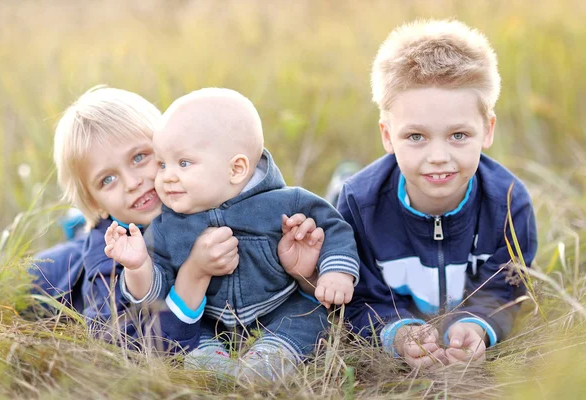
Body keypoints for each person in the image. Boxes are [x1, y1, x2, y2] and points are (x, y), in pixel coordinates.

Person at [31, 86, 325, 354]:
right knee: (46, 267)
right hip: (55, 276)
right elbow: (131, 348)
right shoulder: (107, 263)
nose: (133, 182)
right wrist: (194, 274)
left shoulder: (205, 191)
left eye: (139, 157)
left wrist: (304, 274)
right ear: (96, 203)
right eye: (107, 179)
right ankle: (75, 229)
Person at [104, 87, 360, 381]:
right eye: (162, 164)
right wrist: (138, 266)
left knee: (304, 319)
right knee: (192, 343)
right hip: (210, 321)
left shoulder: (285, 203)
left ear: (236, 169)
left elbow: (334, 227)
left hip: (278, 306)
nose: (167, 176)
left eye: (183, 163)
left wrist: (335, 272)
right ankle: (215, 369)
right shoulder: (166, 226)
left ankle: (270, 359)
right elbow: (156, 292)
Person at [337, 20, 538, 368]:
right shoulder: (358, 205)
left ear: (487, 130)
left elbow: (506, 290)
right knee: (337, 207)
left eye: (458, 135)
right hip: (362, 197)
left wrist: (476, 325)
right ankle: (339, 177)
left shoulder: (508, 203)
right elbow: (358, 296)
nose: (438, 157)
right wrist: (397, 332)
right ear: (388, 135)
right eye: (416, 136)